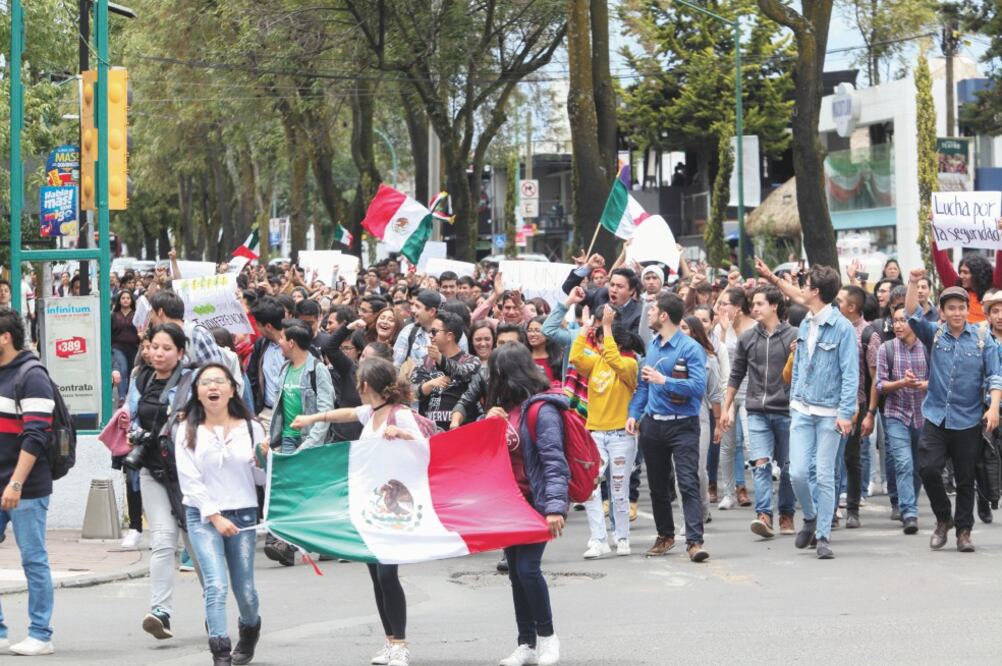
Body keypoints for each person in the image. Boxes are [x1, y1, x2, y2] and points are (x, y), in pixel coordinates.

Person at [290, 358, 424, 666]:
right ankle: (390, 642)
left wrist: (403, 436)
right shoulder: (371, 413)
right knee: (376, 576)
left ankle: (401, 645)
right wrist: (311, 418)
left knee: (388, 574)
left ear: (365, 385)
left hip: (396, 507)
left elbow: (425, 446)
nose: (355, 386)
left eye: (358, 381)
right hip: (372, 505)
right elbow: (347, 413)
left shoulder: (400, 415)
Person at [906, 270, 1002, 552]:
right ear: (943, 312)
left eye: (961, 307)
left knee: (965, 478)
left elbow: (996, 377)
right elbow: (911, 312)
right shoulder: (933, 334)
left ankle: (964, 532)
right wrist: (913, 282)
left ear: (967, 310)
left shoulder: (983, 340)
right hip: (936, 415)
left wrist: (994, 407)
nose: (957, 313)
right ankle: (943, 519)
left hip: (970, 419)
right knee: (928, 469)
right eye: (951, 308)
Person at [484, 344, 568, 666]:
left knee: (528, 570)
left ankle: (548, 639)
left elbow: (553, 461)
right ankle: (526, 644)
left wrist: (555, 507)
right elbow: (487, 451)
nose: (493, 379)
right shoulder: (504, 408)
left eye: (497, 373)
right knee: (516, 576)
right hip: (510, 502)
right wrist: (487, 420)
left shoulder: (541, 410)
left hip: (536, 500)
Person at [176, 363, 265, 666]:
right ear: (197, 392)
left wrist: (264, 462)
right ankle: (221, 654)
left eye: (219, 381)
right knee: (215, 585)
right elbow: (189, 480)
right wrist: (214, 516)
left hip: (243, 514)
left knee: (246, 592)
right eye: (205, 383)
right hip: (202, 517)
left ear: (231, 389)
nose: (212, 387)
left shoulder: (252, 427)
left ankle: (250, 631)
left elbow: (262, 480)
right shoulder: (186, 429)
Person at [782, 265, 859, 559]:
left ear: (815, 292)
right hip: (802, 408)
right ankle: (811, 517)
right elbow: (800, 363)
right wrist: (794, 398)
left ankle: (824, 535)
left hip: (830, 413)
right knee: (798, 472)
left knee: (825, 475)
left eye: (806, 284)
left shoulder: (843, 328)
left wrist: (845, 413)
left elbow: (850, 374)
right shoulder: (805, 324)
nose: (802, 289)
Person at [627, 292, 710, 563]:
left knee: (688, 482)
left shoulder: (690, 348)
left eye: (652, 310)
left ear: (664, 315)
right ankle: (665, 535)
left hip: (683, 425)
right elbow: (643, 385)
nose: (648, 314)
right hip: (653, 425)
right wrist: (634, 413)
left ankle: (695, 542)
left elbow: (698, 388)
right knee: (657, 486)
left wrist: (665, 381)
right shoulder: (652, 346)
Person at [126, 323, 193, 640]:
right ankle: (160, 613)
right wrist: (132, 431)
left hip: (188, 474)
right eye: (155, 347)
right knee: (164, 540)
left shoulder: (191, 381)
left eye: (167, 348)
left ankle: (215, 609)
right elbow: (130, 412)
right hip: (152, 469)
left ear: (180, 352)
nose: (159, 353)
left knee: (197, 545)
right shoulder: (141, 377)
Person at [721, 285, 798, 539]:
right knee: (760, 463)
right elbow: (736, 374)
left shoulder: (794, 336)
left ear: (774, 306)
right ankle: (764, 515)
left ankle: (786, 514)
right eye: (752, 304)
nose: (753, 308)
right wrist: (727, 406)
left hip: (787, 411)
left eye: (759, 304)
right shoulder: (747, 338)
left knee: (788, 466)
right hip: (757, 411)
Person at [0, 309, 56, 655]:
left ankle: (41, 633)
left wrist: (16, 484)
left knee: (33, 559)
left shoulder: (31, 374)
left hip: (25, 487)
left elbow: (36, 434)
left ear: (4, 337)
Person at [571, 305, 638, 559]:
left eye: (604, 341)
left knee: (619, 491)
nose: (599, 345)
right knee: (591, 488)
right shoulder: (595, 362)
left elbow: (614, 359)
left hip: (622, 436)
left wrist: (607, 328)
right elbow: (576, 357)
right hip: (595, 434)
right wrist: (586, 328)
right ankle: (599, 539)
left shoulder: (630, 365)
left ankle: (622, 537)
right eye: (598, 341)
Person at [876, 302, 927, 535]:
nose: (897, 325)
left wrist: (923, 384)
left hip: (923, 415)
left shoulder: (928, 347)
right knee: (904, 463)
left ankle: (910, 504)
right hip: (896, 414)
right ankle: (909, 513)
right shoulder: (886, 348)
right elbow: (880, 385)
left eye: (903, 320)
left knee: (919, 466)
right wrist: (901, 384)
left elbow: (940, 379)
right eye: (895, 320)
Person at [835, 284, 881, 530]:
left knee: (851, 458)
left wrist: (870, 413)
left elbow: (875, 379)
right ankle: (830, 510)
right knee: (829, 458)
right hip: (830, 403)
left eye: (839, 301)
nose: (835, 304)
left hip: (856, 404)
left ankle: (852, 509)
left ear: (851, 307)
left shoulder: (867, 334)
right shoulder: (831, 327)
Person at [679, 315, 722, 526]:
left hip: (701, 418)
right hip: (675, 418)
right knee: (682, 470)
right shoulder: (672, 355)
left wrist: (719, 423)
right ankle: (688, 517)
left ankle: (703, 507)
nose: (680, 331)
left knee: (697, 468)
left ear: (694, 332)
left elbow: (715, 394)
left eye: (685, 328)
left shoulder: (710, 359)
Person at [715, 287, 755, 510]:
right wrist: (722, 330)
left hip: (750, 392)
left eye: (725, 303)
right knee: (728, 446)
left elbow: (748, 352)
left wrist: (734, 329)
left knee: (751, 442)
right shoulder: (721, 327)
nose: (721, 308)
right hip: (727, 393)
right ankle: (728, 493)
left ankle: (763, 490)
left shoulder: (754, 326)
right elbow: (716, 355)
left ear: (738, 308)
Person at [410, 312, 480, 431]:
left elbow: (461, 371)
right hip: (429, 432)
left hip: (460, 430)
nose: (430, 336)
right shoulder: (424, 362)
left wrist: (439, 359)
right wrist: (429, 384)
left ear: (449, 336)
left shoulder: (471, 361)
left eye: (434, 332)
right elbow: (411, 392)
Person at [562, 255, 642, 333]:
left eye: (620, 286)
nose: (614, 290)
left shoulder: (638, 314)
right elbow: (568, 288)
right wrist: (588, 267)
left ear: (631, 290)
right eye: (612, 285)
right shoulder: (600, 295)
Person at [931, 249, 998, 323]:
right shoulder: (957, 290)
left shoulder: (993, 294)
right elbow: (943, 265)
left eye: (965, 272)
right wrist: (936, 241)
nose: (961, 276)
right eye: (960, 272)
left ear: (977, 274)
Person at [111, 289, 141, 402]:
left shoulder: (136, 314)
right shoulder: (113, 315)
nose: (125, 300)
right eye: (123, 298)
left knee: (132, 372)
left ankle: (130, 396)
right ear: (119, 300)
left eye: (128, 298)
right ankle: (122, 397)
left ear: (131, 300)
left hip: (134, 347)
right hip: (118, 346)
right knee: (122, 369)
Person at [526, 316, 563, 386]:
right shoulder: (523, 356)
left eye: (537, 330)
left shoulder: (559, 358)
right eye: (529, 330)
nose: (532, 334)